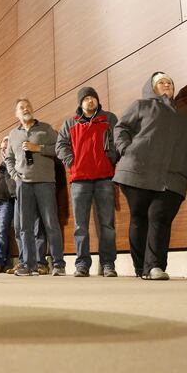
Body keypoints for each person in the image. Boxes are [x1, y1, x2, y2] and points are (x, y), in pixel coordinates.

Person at [114, 72, 187, 280]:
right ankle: (141, 267)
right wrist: (126, 149)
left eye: (169, 82)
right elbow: (121, 127)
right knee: (139, 218)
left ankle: (155, 266)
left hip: (172, 176)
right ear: (152, 88)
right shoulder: (141, 105)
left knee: (159, 216)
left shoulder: (183, 114)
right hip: (137, 170)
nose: (167, 84)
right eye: (161, 82)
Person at [57, 86, 118, 277]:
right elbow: (60, 146)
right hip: (79, 181)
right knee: (80, 226)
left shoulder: (109, 118)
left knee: (107, 225)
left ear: (97, 101)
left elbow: (119, 139)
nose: (90, 101)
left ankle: (108, 264)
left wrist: (111, 157)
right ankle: (82, 264)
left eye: (93, 98)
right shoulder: (70, 123)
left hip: (104, 178)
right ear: (80, 103)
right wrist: (71, 161)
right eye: (86, 99)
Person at [4, 98, 66, 276]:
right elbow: (8, 158)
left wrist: (38, 148)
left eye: (28, 106)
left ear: (32, 108)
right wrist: (15, 175)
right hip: (23, 184)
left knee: (50, 223)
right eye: (21, 108)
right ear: (16, 113)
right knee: (25, 227)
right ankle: (28, 265)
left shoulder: (45, 128)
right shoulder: (13, 134)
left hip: (45, 182)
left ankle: (59, 264)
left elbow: (59, 149)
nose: (25, 109)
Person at [0, 137, 17, 273]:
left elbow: (12, 181)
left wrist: (2, 168)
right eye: (1, 148)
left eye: (5, 147)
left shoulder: (12, 162)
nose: (3, 150)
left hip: (6, 202)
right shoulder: (2, 164)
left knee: (2, 232)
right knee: (1, 233)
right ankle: (6, 263)